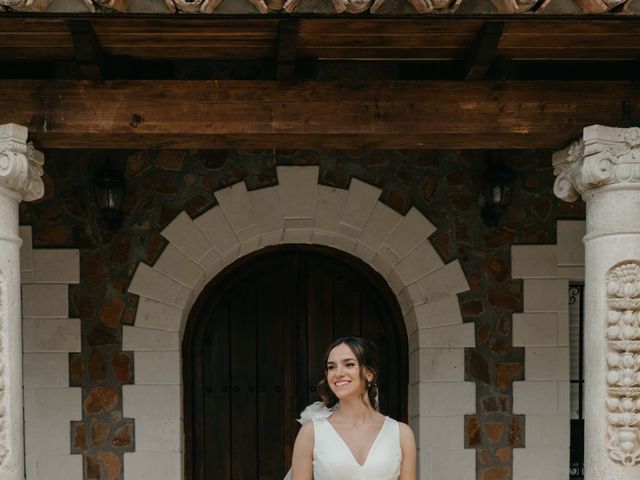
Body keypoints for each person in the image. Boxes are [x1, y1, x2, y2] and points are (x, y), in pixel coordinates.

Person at [288, 336, 416, 480]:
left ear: (369, 374)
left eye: (349, 364)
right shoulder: (311, 433)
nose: (338, 373)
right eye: (331, 367)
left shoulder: (401, 434)